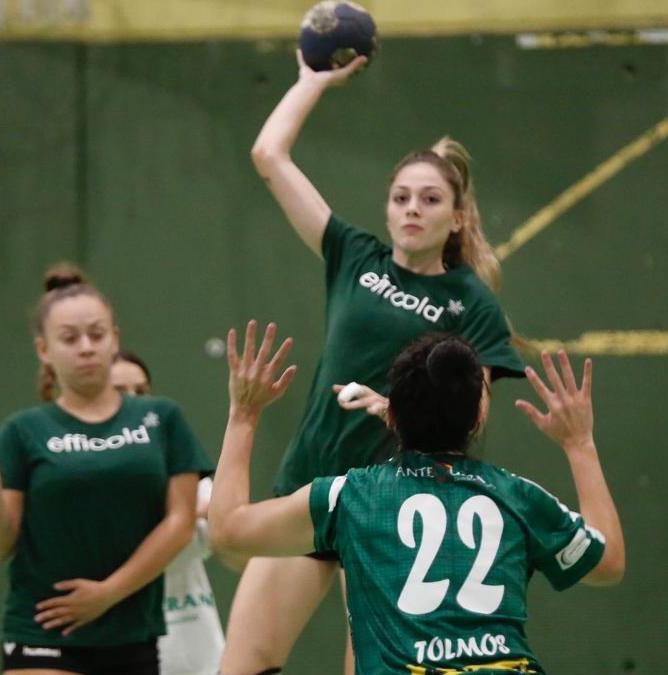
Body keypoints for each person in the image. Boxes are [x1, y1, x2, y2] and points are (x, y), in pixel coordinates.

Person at [226, 49, 528, 674]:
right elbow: (268, 157)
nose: (412, 208)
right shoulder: (353, 257)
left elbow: (471, 418)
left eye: (429, 198)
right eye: (400, 196)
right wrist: (313, 81)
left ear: (456, 217)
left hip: (391, 511)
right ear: (387, 207)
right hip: (310, 487)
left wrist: (394, 408)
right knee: (242, 665)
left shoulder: (469, 302)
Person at [210, 321, 624, 674]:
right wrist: (580, 443)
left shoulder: (349, 496)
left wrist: (243, 415)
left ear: (390, 415)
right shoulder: (518, 496)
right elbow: (608, 564)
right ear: (477, 418)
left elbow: (227, 530)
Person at [0, 263, 214, 675]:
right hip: (42, 631)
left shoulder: (162, 419)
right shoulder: (22, 431)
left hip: (133, 633)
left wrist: (107, 593)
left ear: (115, 339)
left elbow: (180, 522)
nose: (85, 347)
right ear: (44, 350)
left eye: (97, 335)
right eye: (69, 338)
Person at [111, 349, 235, 675]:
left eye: (141, 391)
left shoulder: (179, 466)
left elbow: (230, 534)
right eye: (119, 393)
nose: (134, 402)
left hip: (205, 661)